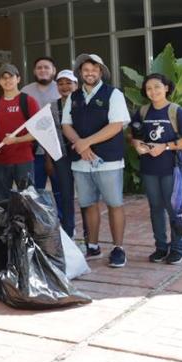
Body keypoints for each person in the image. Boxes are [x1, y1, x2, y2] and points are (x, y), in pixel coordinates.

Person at [61, 53, 130, 268]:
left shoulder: (113, 94)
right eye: (85, 70)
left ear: (101, 72)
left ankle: (118, 248)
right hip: (81, 162)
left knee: (114, 203)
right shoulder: (74, 97)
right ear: (80, 73)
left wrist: (85, 143)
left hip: (108, 160)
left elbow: (116, 125)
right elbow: (66, 125)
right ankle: (93, 246)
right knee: (88, 204)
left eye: (94, 69)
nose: (89, 73)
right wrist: (80, 145)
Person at [129, 73, 182, 265]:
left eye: (157, 87)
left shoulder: (176, 111)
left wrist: (165, 147)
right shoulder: (142, 112)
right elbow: (134, 135)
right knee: (155, 208)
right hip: (149, 168)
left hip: (172, 168)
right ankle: (160, 247)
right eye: (149, 88)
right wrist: (137, 145)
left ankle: (177, 248)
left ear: (166, 88)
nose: (153, 91)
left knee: (174, 207)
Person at [0, 64, 40, 200]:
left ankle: (27, 222)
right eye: (3, 78)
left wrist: (16, 140)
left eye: (11, 77)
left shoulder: (28, 101)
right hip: (1, 160)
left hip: (23, 160)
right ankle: (8, 222)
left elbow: (38, 133)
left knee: (28, 200)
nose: (7, 80)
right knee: (3, 200)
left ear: (18, 79)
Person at [22, 57, 61, 194]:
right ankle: (39, 216)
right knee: (35, 190)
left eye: (46, 67)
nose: (43, 70)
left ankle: (62, 216)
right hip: (34, 150)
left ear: (54, 70)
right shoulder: (25, 91)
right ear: (34, 71)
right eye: (39, 67)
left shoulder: (61, 88)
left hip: (58, 149)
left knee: (60, 190)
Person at [49, 69, 79, 237]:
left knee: (86, 196)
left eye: (68, 82)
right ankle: (69, 231)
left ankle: (90, 235)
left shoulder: (82, 102)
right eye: (60, 83)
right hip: (61, 156)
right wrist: (49, 159)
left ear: (76, 84)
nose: (65, 86)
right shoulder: (53, 106)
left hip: (82, 153)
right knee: (66, 195)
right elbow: (49, 134)